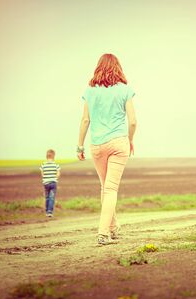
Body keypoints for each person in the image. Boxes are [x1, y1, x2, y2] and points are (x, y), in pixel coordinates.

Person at [77, 53, 137, 246]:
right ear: (118, 68)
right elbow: (133, 121)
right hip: (119, 142)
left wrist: (79, 145)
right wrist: (130, 140)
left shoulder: (90, 91)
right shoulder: (125, 90)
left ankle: (112, 227)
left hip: (97, 145)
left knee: (106, 188)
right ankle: (103, 234)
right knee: (110, 189)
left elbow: (85, 120)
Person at [40, 149, 61, 217]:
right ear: (53, 156)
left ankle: (46, 211)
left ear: (46, 156)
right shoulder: (56, 164)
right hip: (53, 183)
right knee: (52, 197)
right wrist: (54, 178)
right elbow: (58, 174)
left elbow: (42, 174)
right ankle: (50, 212)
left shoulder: (43, 164)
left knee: (47, 197)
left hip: (46, 183)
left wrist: (46, 178)